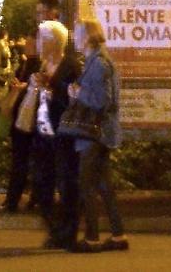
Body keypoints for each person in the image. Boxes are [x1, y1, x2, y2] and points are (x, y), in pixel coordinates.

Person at [69, 18, 128, 253]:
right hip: (101, 133)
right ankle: (118, 234)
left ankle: (92, 237)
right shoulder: (96, 61)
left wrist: (78, 92)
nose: (74, 38)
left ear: (87, 37)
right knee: (104, 185)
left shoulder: (99, 64)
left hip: (94, 133)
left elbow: (103, 101)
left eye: (77, 34)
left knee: (87, 185)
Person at [32, 19, 82, 250]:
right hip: (43, 134)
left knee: (66, 184)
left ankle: (67, 232)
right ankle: (55, 229)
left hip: (63, 134)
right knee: (42, 184)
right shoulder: (43, 65)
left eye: (41, 38)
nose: (37, 42)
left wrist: (52, 89)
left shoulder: (70, 66)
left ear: (53, 42)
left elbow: (74, 99)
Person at [0, 26, 41, 213]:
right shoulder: (29, 63)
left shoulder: (37, 64)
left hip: (27, 123)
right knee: (25, 162)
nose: (25, 43)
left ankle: (14, 201)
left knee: (22, 163)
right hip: (22, 120)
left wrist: (21, 88)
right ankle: (30, 199)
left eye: (29, 41)